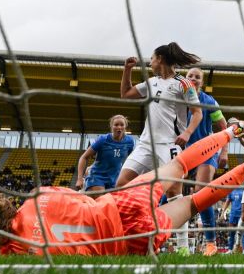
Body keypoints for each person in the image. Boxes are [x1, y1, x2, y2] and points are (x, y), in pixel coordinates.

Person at [0, 120, 244, 256]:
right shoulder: (39, 195)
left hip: (128, 240)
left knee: (194, 204)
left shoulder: (17, 251)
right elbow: (77, 197)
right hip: (119, 204)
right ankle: (233, 133)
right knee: (181, 165)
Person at [115, 42, 203, 254]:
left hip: (169, 145)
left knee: (175, 193)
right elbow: (125, 94)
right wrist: (127, 70)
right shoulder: (151, 82)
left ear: (160, 59)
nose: (150, 61)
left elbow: (197, 113)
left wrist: (187, 133)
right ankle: (134, 235)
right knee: (122, 183)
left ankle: (183, 248)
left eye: (152, 58)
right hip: (145, 144)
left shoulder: (184, 84)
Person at [184, 66, 229, 256]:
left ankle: (211, 243)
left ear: (202, 82)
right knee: (170, 193)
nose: (193, 78)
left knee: (202, 191)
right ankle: (176, 242)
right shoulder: (176, 98)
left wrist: (224, 152)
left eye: (197, 77)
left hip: (206, 150)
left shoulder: (209, 101)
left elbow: (223, 126)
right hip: (183, 152)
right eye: (190, 76)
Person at [76, 115, 137, 192]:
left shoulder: (129, 141)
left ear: (125, 126)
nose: (119, 127)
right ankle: (86, 186)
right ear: (111, 126)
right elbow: (84, 157)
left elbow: (131, 159)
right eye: (116, 125)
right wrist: (79, 178)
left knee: (112, 202)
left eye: (122, 125)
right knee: (101, 199)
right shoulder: (102, 140)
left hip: (115, 178)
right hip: (97, 176)